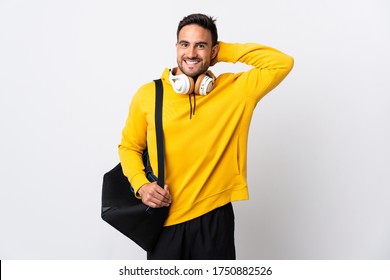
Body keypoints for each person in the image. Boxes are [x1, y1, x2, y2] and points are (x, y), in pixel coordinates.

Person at [118, 13, 294, 260]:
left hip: (215, 219)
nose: (191, 53)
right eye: (184, 44)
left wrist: (222, 52)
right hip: (164, 220)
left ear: (213, 51)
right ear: (176, 47)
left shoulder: (235, 91)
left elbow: (281, 63)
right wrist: (141, 185)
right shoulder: (149, 94)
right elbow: (129, 147)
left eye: (201, 45)